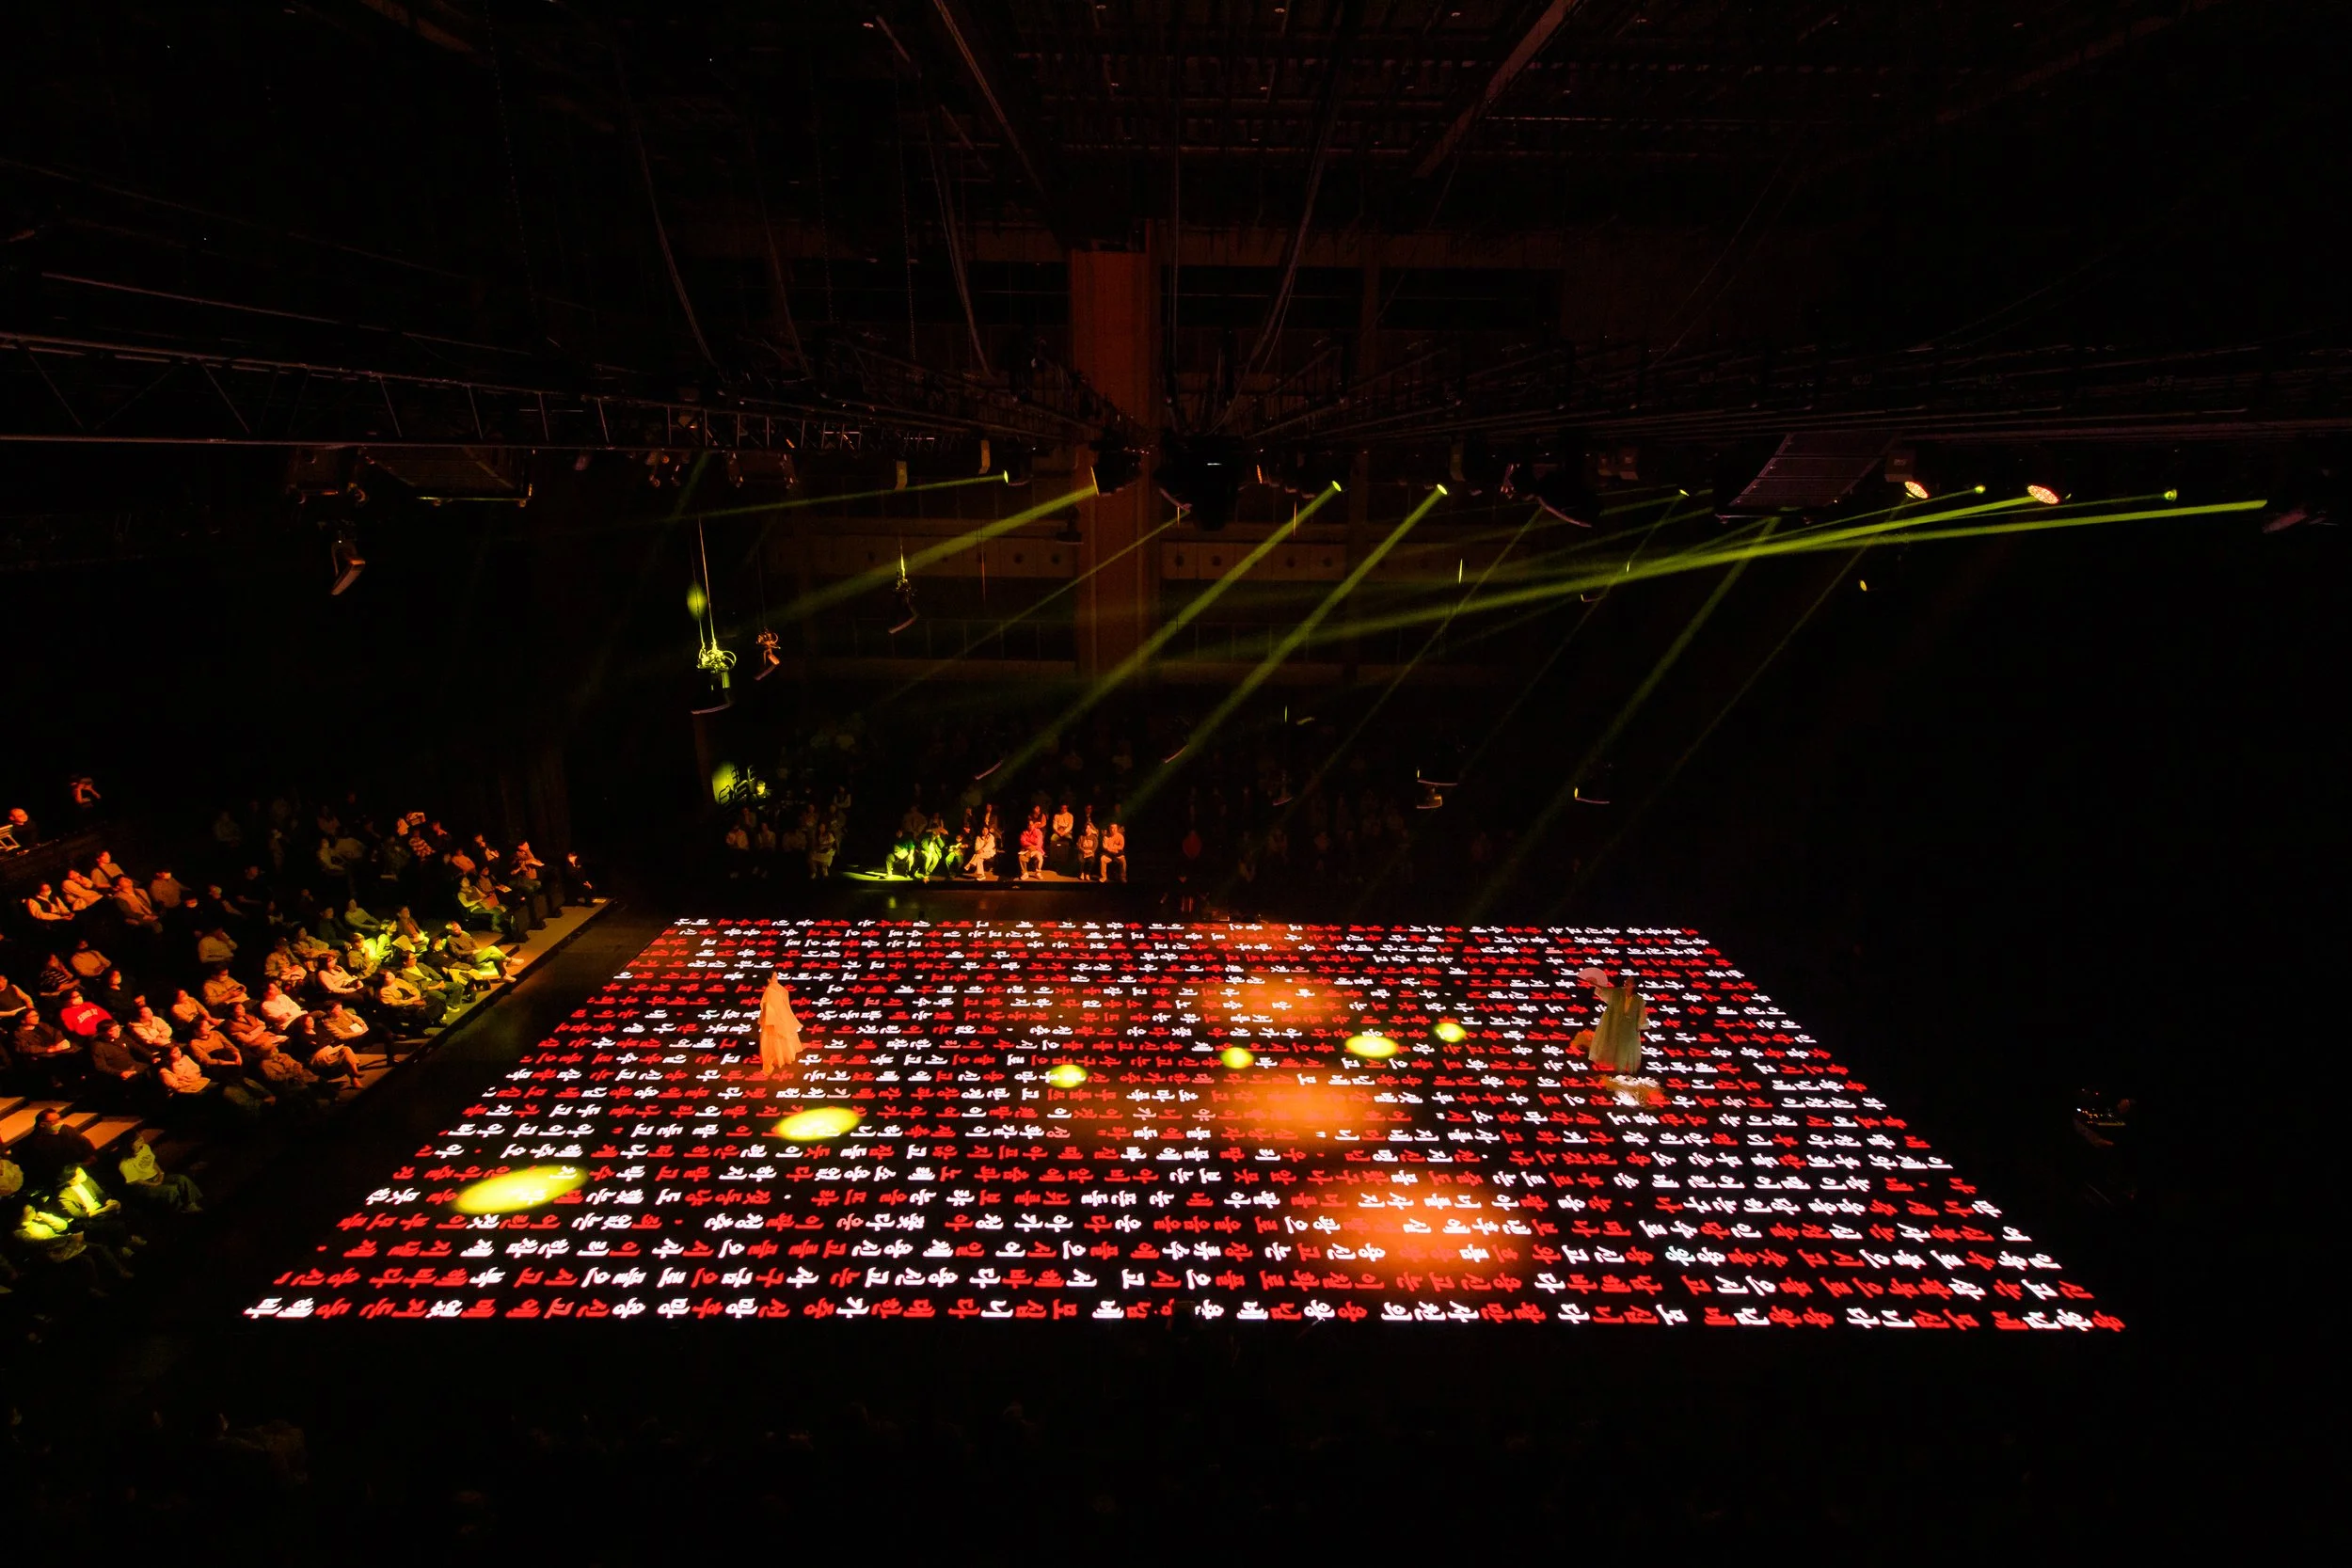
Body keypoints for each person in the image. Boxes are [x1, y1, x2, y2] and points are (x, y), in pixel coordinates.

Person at [1575, 968, 1649, 1077]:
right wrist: (1595, 984)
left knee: (1625, 1048)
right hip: (1614, 1024)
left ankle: (1621, 1071)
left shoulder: (1639, 1000)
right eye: (1626, 980)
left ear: (1634, 985)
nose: (1626, 982)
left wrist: (1639, 1026)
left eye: (1629, 981)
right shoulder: (1617, 993)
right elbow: (1605, 991)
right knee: (1612, 1043)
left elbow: (1642, 1014)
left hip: (1629, 1028)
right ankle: (1610, 1069)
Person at [117, 1131, 203, 1215]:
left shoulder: (145, 1148)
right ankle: (178, 1210)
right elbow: (135, 1181)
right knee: (170, 1190)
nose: (141, 1139)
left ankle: (190, 1204)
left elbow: (152, 1162)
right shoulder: (125, 1164)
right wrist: (153, 1184)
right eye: (137, 1139)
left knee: (181, 1179)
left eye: (140, 1137)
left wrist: (160, 1173)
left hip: (156, 1176)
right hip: (144, 1186)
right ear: (130, 1145)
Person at [14, 1108, 98, 1190]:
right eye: (54, 1121)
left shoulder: (66, 1129)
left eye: (59, 1119)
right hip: (59, 1177)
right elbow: (45, 1166)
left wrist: (89, 1158)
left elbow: (84, 1142)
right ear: (42, 1124)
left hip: (79, 1166)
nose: (59, 1123)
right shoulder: (34, 1143)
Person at [758, 973, 804, 1076]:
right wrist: (775, 1019)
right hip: (773, 1019)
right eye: (774, 976)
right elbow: (769, 1007)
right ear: (769, 980)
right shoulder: (769, 991)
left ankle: (784, 1055)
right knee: (775, 1038)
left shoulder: (777, 988)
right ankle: (778, 1057)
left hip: (781, 1016)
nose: (777, 978)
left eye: (776, 976)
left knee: (782, 1036)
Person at [1077, 807, 1102, 881]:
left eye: (1089, 828)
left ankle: (1087, 873)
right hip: (1083, 852)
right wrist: (1083, 850)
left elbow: (1095, 846)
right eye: (1086, 828)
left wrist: (1091, 851)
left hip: (1090, 852)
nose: (1087, 830)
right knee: (1081, 860)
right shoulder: (1081, 837)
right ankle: (1081, 873)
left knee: (1091, 860)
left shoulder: (1094, 837)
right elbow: (1078, 845)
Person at [1099, 817, 1127, 883]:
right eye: (1111, 828)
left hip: (1118, 854)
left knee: (1123, 861)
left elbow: (1121, 847)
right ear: (1109, 829)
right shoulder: (1106, 837)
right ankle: (1104, 877)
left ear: (1117, 829)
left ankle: (1123, 877)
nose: (1113, 829)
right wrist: (1114, 848)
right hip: (1109, 855)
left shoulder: (1120, 836)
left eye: (1115, 828)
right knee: (1102, 859)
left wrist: (1111, 848)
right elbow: (1105, 847)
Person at [1018, 815, 1045, 879]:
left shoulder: (1038, 832)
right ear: (1027, 826)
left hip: (1036, 850)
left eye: (1032, 825)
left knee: (1039, 858)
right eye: (1029, 825)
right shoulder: (1024, 833)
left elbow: (1039, 843)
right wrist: (1030, 848)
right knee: (1021, 857)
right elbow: (1023, 842)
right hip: (1026, 850)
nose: (1030, 826)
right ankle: (1025, 873)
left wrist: (1032, 849)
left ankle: (1037, 872)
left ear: (1034, 825)